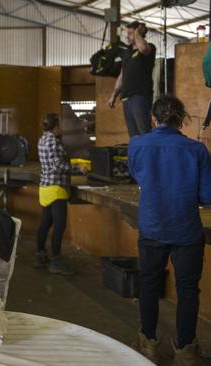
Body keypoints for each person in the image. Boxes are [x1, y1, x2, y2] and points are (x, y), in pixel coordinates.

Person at [129, 95, 211, 365]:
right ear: (180, 119)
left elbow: (139, 176)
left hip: (152, 227)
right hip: (186, 231)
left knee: (149, 285)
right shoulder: (197, 150)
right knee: (187, 290)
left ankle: (147, 344)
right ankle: (185, 350)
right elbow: (207, 196)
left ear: (153, 118)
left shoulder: (137, 145)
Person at [35, 113, 75, 276]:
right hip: (56, 188)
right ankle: (56, 261)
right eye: (61, 125)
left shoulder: (42, 140)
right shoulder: (53, 141)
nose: (62, 129)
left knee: (45, 223)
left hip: (44, 188)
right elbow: (58, 164)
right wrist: (78, 169)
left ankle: (40, 255)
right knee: (59, 226)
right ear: (56, 126)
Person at [107, 21, 157, 138]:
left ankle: (147, 155)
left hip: (139, 96)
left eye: (130, 33)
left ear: (138, 33)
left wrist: (137, 32)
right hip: (126, 98)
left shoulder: (149, 48)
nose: (127, 37)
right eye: (128, 33)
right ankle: (137, 155)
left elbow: (143, 48)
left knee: (144, 131)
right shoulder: (127, 53)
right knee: (133, 135)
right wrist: (114, 95)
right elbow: (122, 75)